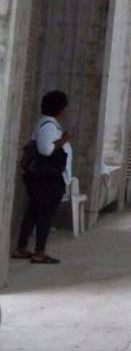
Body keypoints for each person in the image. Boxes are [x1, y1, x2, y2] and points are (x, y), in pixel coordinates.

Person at [12, 91, 72, 264]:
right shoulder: (48, 126)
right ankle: (39, 252)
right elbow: (45, 149)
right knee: (45, 215)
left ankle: (22, 248)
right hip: (47, 179)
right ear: (61, 109)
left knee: (33, 212)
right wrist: (64, 140)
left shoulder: (47, 124)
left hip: (43, 178)